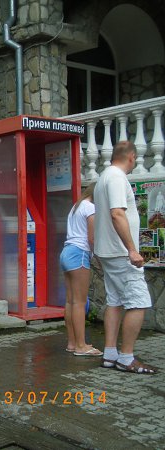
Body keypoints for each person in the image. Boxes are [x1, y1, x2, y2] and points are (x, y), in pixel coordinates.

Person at [94, 140, 158, 374]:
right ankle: (126, 358)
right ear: (131, 157)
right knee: (138, 301)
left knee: (115, 301)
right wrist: (132, 249)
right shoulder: (116, 178)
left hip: (109, 251)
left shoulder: (104, 177)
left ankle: (110, 355)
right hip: (121, 253)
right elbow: (117, 214)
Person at [60, 183, 102, 356]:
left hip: (67, 252)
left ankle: (72, 343)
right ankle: (81, 346)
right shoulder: (91, 208)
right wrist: (99, 258)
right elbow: (92, 238)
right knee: (79, 302)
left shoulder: (76, 206)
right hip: (80, 254)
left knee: (70, 301)